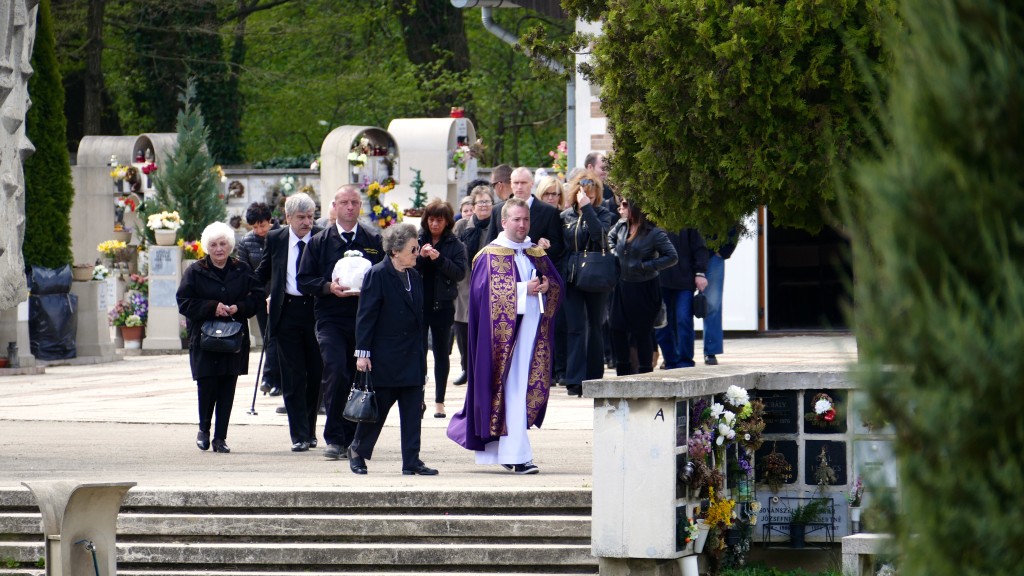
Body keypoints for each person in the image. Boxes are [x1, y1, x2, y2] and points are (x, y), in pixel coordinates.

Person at [447, 198, 563, 474]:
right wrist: (524, 291)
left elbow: (556, 285)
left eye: (526, 220)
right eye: (516, 220)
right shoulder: (490, 255)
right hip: (502, 343)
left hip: (531, 338)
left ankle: (506, 452)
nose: (522, 225)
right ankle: (517, 454)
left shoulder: (536, 252)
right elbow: (485, 296)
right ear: (504, 222)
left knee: (519, 392)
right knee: (509, 390)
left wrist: (547, 286)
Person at [298, 184, 384, 461]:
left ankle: (353, 437)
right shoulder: (319, 242)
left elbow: (384, 276)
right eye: (344, 202)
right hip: (331, 319)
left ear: (360, 206)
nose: (350, 207)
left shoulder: (373, 239)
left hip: (363, 320)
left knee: (358, 378)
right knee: (336, 372)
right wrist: (326, 287)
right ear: (334, 207)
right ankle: (334, 438)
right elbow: (304, 280)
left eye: (354, 202)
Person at [350, 222, 438, 476]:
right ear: (396, 250)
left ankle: (412, 460)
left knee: (413, 411)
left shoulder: (414, 275)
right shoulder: (377, 274)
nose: (417, 251)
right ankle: (357, 450)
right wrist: (362, 353)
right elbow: (365, 316)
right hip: (385, 355)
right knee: (378, 410)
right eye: (413, 247)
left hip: (411, 354)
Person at [177, 222, 265, 453]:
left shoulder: (242, 269)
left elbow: (257, 297)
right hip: (204, 339)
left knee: (227, 386)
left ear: (230, 245)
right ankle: (204, 429)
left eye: (223, 244)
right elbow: (184, 302)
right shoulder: (195, 271)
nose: (218, 249)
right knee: (207, 385)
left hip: (233, 340)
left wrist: (239, 307)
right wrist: (211, 307)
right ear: (207, 247)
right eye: (214, 245)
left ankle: (220, 437)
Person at [254, 193, 323, 451]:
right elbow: (263, 272)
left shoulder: (322, 237)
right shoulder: (275, 238)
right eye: (301, 217)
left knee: (316, 374)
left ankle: (311, 428)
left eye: (310, 216)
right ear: (288, 217)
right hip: (287, 313)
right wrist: (252, 292)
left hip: (316, 312)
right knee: (292, 376)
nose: (307, 222)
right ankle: (299, 435)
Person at [560, 170, 617, 396]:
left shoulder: (603, 214)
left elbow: (600, 237)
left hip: (595, 273)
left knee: (595, 325)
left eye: (593, 196)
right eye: (585, 195)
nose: (589, 199)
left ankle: (594, 377)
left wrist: (588, 209)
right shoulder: (564, 217)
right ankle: (574, 378)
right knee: (575, 327)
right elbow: (562, 245)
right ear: (576, 192)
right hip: (572, 276)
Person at [607, 199, 678, 375]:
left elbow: (672, 256)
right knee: (616, 328)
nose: (620, 208)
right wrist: (616, 255)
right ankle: (623, 373)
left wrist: (646, 266)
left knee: (642, 333)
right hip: (622, 286)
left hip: (645, 287)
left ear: (635, 207)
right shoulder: (622, 225)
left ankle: (645, 374)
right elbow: (609, 238)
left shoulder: (653, 233)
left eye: (624, 205)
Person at [415, 199, 468, 419]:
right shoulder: (417, 240)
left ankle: (439, 401)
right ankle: (418, 398)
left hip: (443, 305)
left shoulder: (455, 245)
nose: (435, 224)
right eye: (431, 219)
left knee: (441, 353)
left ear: (447, 222)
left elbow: (459, 274)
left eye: (439, 220)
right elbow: (406, 266)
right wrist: (421, 256)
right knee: (418, 353)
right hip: (419, 304)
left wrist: (439, 259)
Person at [235, 201, 281, 396]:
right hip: (261, 298)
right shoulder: (246, 242)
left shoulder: (282, 236)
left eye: (262, 225)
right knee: (270, 337)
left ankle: (270, 378)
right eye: (254, 227)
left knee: (279, 338)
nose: (259, 230)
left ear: (270, 221)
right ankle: (274, 380)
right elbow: (244, 272)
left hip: (283, 295)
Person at [452, 186, 494, 387]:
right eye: (480, 202)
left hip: (489, 281)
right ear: (473, 205)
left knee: (486, 327)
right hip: (465, 282)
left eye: (487, 202)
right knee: (462, 326)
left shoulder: (496, 226)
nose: (484, 206)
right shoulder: (462, 225)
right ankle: (466, 368)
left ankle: (483, 369)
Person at [486, 167, 565, 267]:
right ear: (511, 184)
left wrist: (544, 249)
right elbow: (490, 244)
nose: (519, 187)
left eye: (523, 183)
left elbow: (558, 247)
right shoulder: (497, 210)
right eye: (516, 183)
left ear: (531, 183)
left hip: (537, 273)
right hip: (505, 271)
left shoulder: (549, 212)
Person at [653, 229, 709, 369]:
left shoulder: (685, 215)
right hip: (659, 279)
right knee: (662, 324)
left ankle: (685, 361)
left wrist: (700, 272)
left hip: (684, 279)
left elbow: (699, 246)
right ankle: (670, 360)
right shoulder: (652, 215)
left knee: (683, 319)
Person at [702, 229, 738, 365]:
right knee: (679, 303)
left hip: (713, 255)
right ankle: (676, 354)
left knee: (712, 304)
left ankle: (711, 350)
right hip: (685, 254)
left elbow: (734, 224)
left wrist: (724, 251)